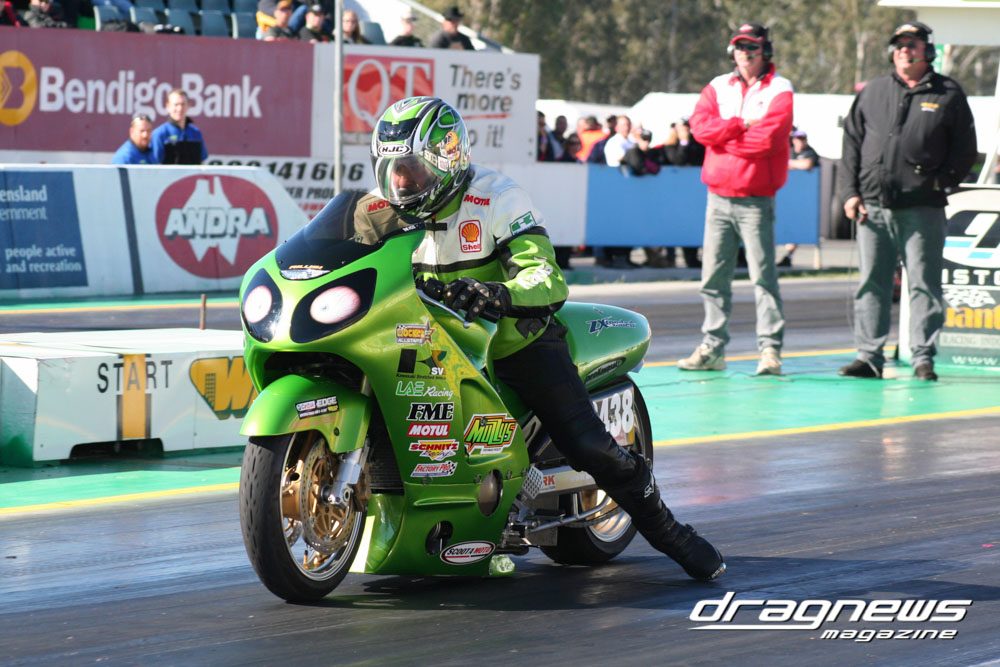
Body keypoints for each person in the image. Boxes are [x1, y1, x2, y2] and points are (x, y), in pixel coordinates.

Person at [366, 96, 725, 581]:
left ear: (446, 159)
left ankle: (670, 532)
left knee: (587, 445)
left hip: (515, 343)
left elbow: (546, 277)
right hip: (431, 345)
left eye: (411, 169)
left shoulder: (496, 198)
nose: (400, 182)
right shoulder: (379, 208)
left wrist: (499, 293)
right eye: (391, 169)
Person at [837, 21, 977, 382]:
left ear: (927, 51)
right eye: (899, 45)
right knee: (873, 282)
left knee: (923, 284)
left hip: (922, 207)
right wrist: (849, 192)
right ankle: (869, 357)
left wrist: (940, 181)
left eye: (912, 45)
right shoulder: (873, 91)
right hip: (872, 206)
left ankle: (922, 357)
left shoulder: (948, 93)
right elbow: (851, 144)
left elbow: (965, 149)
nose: (904, 51)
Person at [681, 21, 793, 376]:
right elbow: (700, 129)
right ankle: (712, 348)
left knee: (763, 278)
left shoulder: (780, 89)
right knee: (712, 278)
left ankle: (770, 351)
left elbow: (769, 140)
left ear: (765, 50)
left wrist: (723, 140)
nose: (745, 53)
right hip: (717, 196)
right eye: (740, 46)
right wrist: (740, 125)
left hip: (756, 199)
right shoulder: (717, 85)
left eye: (752, 47)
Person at [661, 118, 706, 269]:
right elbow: (678, 160)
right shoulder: (669, 145)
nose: (684, 131)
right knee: (672, 224)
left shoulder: (697, 144)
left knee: (691, 224)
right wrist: (683, 142)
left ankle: (692, 257)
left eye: (686, 127)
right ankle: (670, 257)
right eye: (681, 128)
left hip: (692, 193)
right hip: (673, 193)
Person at [778, 129, 819, 267]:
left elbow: (807, 164)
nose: (801, 142)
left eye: (803, 139)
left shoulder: (810, 152)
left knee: (798, 225)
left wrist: (789, 164)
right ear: (793, 140)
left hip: (803, 198)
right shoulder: (789, 151)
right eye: (798, 139)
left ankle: (788, 256)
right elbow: (779, 163)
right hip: (785, 195)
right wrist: (792, 164)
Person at [150, 89, 208, 165]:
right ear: (168, 106)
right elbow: (157, 165)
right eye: (176, 104)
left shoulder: (195, 132)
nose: (180, 108)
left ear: (188, 106)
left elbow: (202, 163)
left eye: (183, 104)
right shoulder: (159, 134)